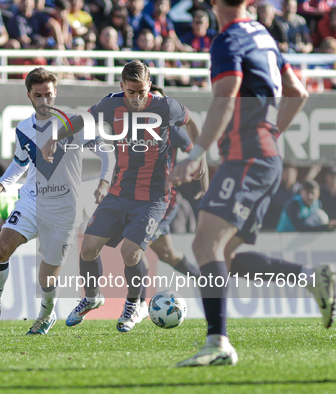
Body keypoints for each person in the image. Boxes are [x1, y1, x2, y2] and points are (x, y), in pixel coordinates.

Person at [169, 0, 334, 367]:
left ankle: (218, 343)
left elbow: (226, 96)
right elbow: (298, 92)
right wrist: (271, 134)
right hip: (265, 157)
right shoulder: (263, 35)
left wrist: (196, 153)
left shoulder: (226, 41)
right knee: (223, 255)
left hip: (247, 159)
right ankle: (311, 278)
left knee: (204, 243)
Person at [42, 60, 204, 333]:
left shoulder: (165, 106)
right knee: (88, 247)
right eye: (131, 92)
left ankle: (133, 305)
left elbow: (193, 122)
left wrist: (199, 157)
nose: (138, 98)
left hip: (153, 197)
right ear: (122, 88)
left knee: (130, 252)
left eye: (142, 92)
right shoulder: (110, 105)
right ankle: (92, 297)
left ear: (149, 86)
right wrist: (55, 137)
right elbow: (83, 119)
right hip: (119, 192)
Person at [0, 67, 114, 335]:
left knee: (46, 275)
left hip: (65, 209)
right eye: (38, 95)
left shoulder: (74, 122)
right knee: (0, 251)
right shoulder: (24, 128)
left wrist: (103, 182)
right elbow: (19, 164)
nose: (45, 101)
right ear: (29, 96)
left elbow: (107, 153)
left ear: (56, 93)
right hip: (32, 201)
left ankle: (46, 314)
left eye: (49, 95)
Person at [135, 85, 206, 308]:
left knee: (135, 248)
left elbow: (196, 152)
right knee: (168, 255)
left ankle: (136, 306)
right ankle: (204, 280)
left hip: (162, 200)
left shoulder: (172, 129)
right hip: (136, 198)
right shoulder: (135, 127)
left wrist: (205, 188)